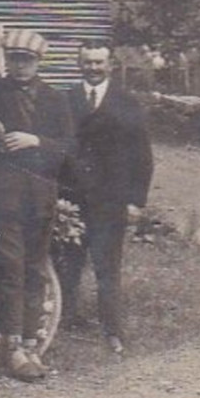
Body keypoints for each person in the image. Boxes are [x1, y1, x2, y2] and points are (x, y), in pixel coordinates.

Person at [0, 28, 74, 382]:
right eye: (14, 59)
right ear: (6, 60)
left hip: (41, 193)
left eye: (27, 60)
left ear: (38, 62)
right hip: (4, 194)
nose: (20, 66)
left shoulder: (54, 99)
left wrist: (37, 140)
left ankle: (33, 342)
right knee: (11, 266)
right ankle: (13, 344)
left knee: (34, 266)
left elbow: (68, 147)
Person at [58, 42, 154, 356]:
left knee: (107, 267)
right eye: (87, 62)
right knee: (68, 264)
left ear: (110, 65)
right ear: (78, 64)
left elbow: (142, 157)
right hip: (72, 198)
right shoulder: (66, 100)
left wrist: (135, 201)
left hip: (109, 200)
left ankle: (112, 329)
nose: (93, 68)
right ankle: (63, 321)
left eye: (99, 62)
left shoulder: (127, 103)